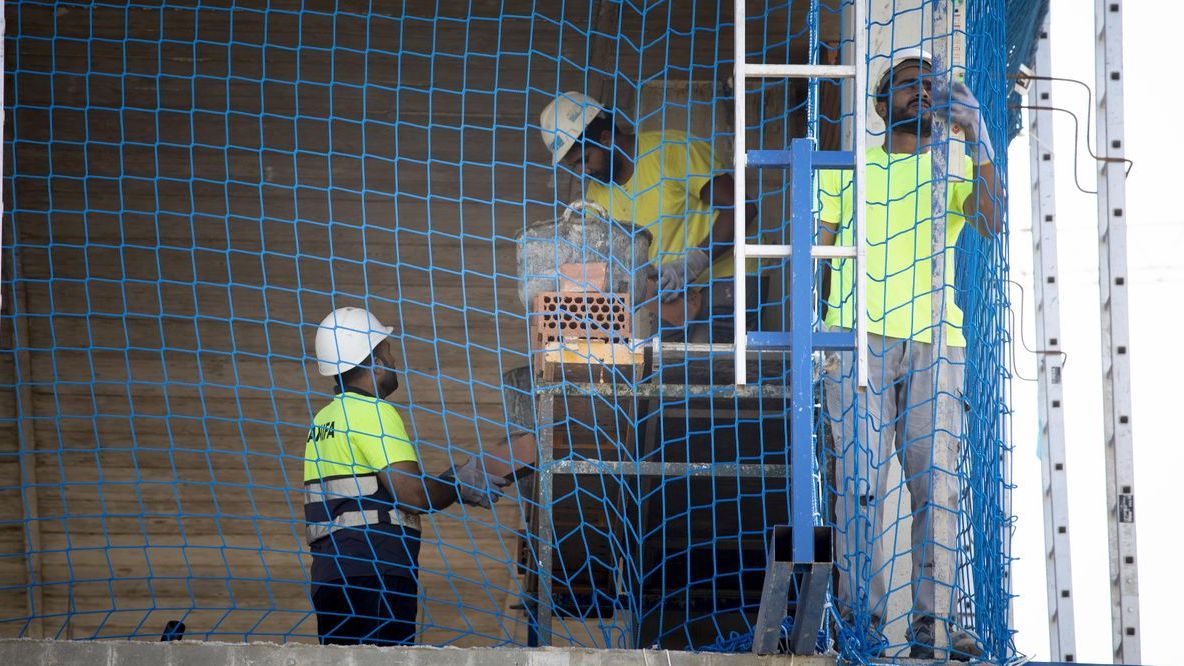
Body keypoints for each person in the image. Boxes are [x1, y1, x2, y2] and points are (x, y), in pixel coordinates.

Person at [817, 49, 1000, 660]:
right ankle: (855, 621)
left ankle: (932, 626)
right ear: (879, 107)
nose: (921, 92)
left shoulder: (951, 170)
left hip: (935, 339)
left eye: (931, 86)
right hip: (855, 338)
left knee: (937, 486)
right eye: (905, 86)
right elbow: (816, 252)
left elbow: (991, 220)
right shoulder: (850, 168)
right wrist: (817, 339)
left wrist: (979, 139)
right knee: (859, 486)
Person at [302, 306, 509, 645]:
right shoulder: (374, 412)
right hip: (377, 574)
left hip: (331, 579)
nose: (394, 361)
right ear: (377, 365)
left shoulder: (322, 422)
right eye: (388, 352)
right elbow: (411, 495)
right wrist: (458, 482)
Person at [538, 92, 762, 344]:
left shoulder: (671, 151)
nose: (583, 171)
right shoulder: (596, 195)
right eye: (575, 167)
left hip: (725, 284)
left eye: (585, 159)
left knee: (703, 363)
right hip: (669, 299)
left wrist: (694, 262)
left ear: (606, 138)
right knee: (657, 368)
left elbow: (743, 207)